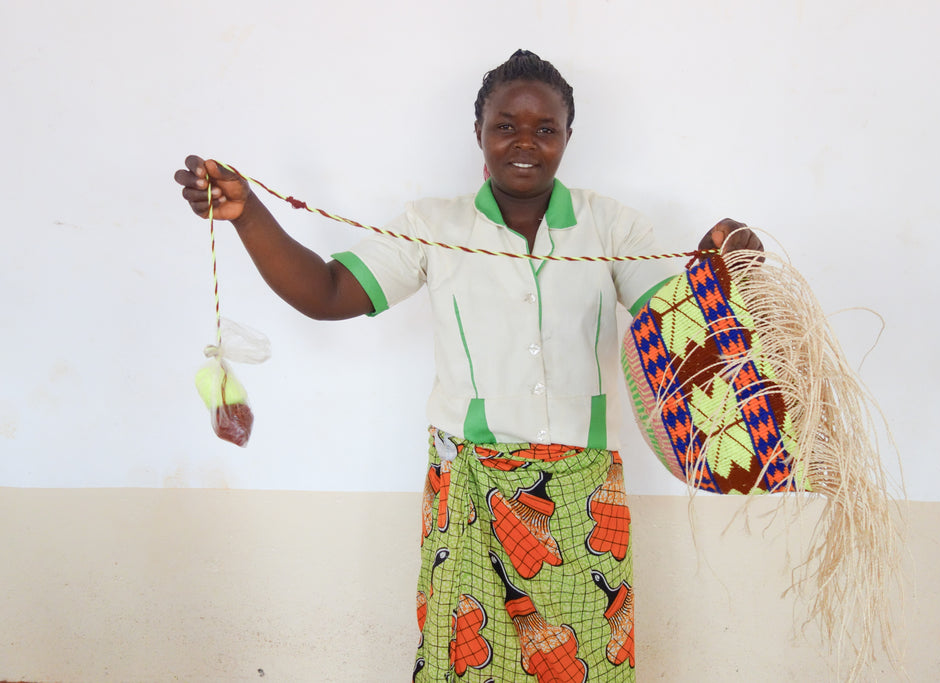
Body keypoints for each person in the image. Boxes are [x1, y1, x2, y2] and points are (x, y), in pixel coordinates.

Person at [176, 49, 761, 682]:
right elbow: (327, 293)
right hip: (468, 486)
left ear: (568, 136)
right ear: (478, 131)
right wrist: (247, 212)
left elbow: (676, 327)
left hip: (584, 494)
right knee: (467, 661)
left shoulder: (612, 226)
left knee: (587, 660)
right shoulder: (434, 225)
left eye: (546, 129)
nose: (525, 143)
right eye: (506, 125)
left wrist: (727, 272)